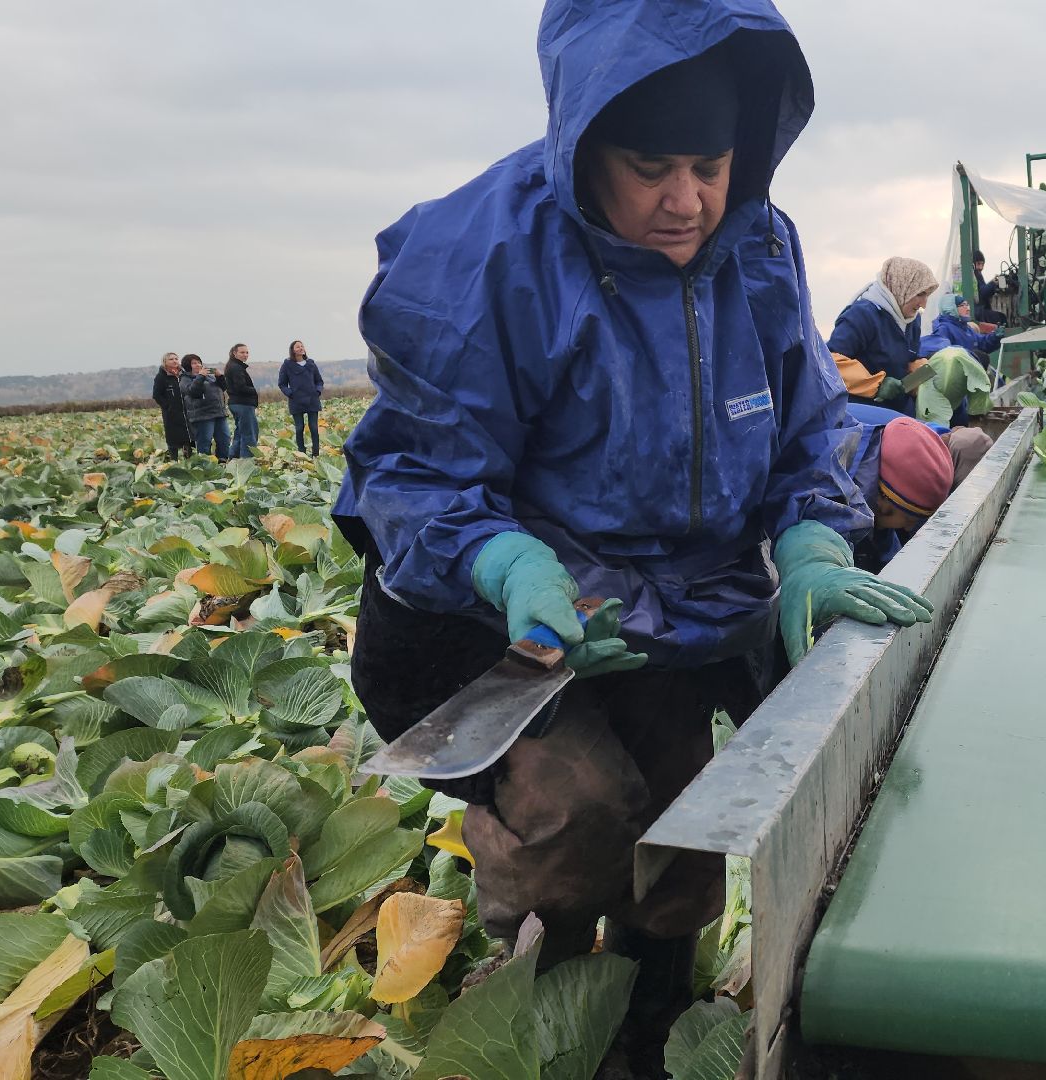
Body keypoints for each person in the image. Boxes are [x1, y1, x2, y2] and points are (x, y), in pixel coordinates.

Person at [330, 1, 932, 1069]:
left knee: (686, 811)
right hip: (489, 619)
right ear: (583, 140)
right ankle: (538, 1008)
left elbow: (804, 438)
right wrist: (503, 561)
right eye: (650, 164)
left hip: (672, 606)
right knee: (578, 809)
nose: (685, 200)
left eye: (709, 164)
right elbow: (415, 475)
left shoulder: (758, 249)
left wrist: (810, 545)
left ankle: (648, 1025)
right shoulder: (481, 259)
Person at [842, 404, 954, 572]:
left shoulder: (876, 478)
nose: (909, 528)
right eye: (909, 519)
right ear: (884, 502)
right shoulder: (839, 501)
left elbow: (883, 542)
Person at [828, 256, 937, 414]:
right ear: (901, 287)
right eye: (920, 294)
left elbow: (908, 358)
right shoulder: (862, 315)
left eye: (927, 295)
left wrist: (918, 370)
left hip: (899, 408)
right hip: (863, 409)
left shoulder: (911, 321)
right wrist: (877, 385)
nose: (924, 304)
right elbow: (831, 363)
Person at [920, 293, 1003, 360]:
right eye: (963, 305)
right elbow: (945, 355)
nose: (968, 308)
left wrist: (994, 336)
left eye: (967, 305)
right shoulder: (944, 328)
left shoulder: (965, 327)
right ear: (951, 308)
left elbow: (981, 343)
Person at [277, 340, 324, 456]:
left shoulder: (311, 364)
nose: (301, 348)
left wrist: (317, 391)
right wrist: (291, 393)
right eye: (297, 347)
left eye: (302, 346)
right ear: (292, 350)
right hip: (296, 401)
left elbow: (319, 381)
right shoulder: (287, 365)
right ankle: (301, 453)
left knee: (313, 428)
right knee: (299, 428)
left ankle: (315, 454)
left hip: (312, 400)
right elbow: (282, 384)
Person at [180, 354, 230, 460]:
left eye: (199, 362)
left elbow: (224, 387)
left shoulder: (209, 377)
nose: (198, 365)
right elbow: (193, 391)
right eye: (194, 363)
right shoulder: (185, 380)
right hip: (202, 416)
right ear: (188, 366)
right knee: (205, 441)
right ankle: (204, 465)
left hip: (218, 413)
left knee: (224, 439)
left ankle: (222, 461)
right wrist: (200, 376)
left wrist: (219, 376)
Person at [222, 343, 260, 458]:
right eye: (242, 352)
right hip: (243, 404)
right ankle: (246, 461)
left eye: (247, 352)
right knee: (249, 434)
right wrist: (254, 390)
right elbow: (240, 387)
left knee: (240, 433)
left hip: (236, 403)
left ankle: (233, 457)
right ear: (235, 353)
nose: (245, 355)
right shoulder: (236, 367)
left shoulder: (232, 366)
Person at [151, 352, 192, 458]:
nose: (174, 361)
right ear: (165, 362)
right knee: (173, 437)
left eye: (176, 359)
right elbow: (157, 395)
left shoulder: (183, 374)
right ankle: (173, 459)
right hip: (171, 413)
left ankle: (188, 458)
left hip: (186, 410)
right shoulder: (161, 377)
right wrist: (167, 407)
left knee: (188, 436)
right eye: (171, 359)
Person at [971, 249, 1003, 324]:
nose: (981, 267)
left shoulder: (976, 274)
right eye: (979, 264)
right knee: (1001, 318)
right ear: (973, 264)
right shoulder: (975, 274)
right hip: (979, 313)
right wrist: (993, 283)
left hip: (979, 311)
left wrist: (992, 284)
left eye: (982, 264)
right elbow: (983, 292)